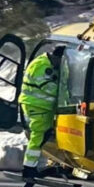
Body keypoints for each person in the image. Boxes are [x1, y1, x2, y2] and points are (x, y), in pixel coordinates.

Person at [19, 47, 63, 180]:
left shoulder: (44, 63)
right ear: (56, 58)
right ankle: (29, 168)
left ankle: (31, 167)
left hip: (41, 106)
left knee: (43, 134)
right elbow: (48, 87)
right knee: (39, 135)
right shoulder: (42, 66)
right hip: (37, 106)